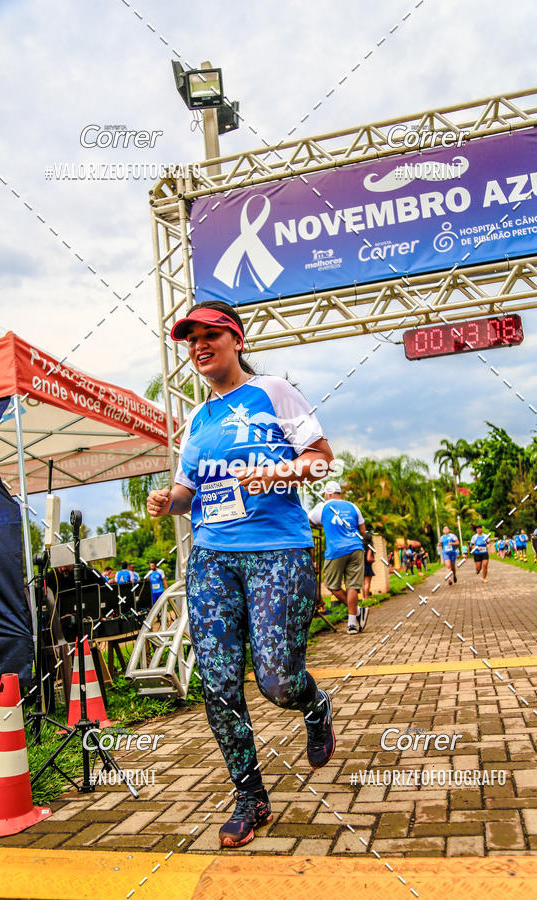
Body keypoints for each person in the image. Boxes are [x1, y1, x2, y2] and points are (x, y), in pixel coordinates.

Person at [146, 299, 336, 849]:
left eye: (211, 335)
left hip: (278, 551)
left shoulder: (274, 391)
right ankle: (250, 797)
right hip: (211, 558)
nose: (199, 346)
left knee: (277, 680)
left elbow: (322, 458)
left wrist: (274, 471)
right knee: (219, 682)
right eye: (191, 340)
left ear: (237, 340)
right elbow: (189, 492)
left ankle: (313, 703)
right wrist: (169, 501)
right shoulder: (197, 422)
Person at [308, 482, 368, 635]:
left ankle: (357, 611)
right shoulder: (354, 507)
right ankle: (352, 624)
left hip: (336, 550)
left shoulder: (322, 506)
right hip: (356, 548)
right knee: (353, 586)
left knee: (332, 585)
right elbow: (363, 530)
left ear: (327, 493)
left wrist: (325, 526)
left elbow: (308, 522)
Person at [362, 537, 375, 602]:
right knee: (367, 583)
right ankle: (367, 597)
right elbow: (369, 558)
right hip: (367, 565)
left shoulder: (361, 545)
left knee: (363, 584)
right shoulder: (369, 546)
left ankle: (363, 598)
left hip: (360, 565)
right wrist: (373, 560)